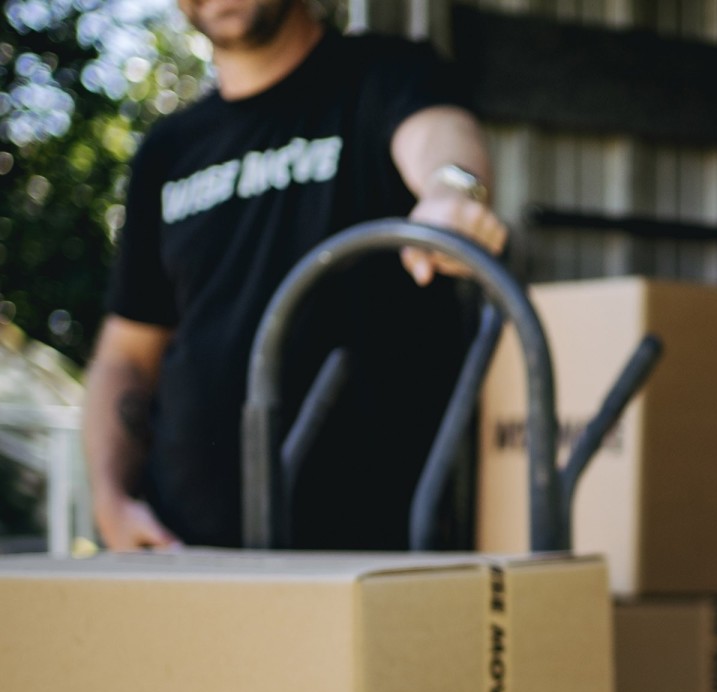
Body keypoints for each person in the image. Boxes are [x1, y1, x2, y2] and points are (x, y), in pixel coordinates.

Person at [84, 0, 508, 550]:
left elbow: (440, 135)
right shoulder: (168, 150)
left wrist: (450, 193)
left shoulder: (383, 74)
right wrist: (109, 497)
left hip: (368, 546)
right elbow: (126, 355)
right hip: (185, 547)